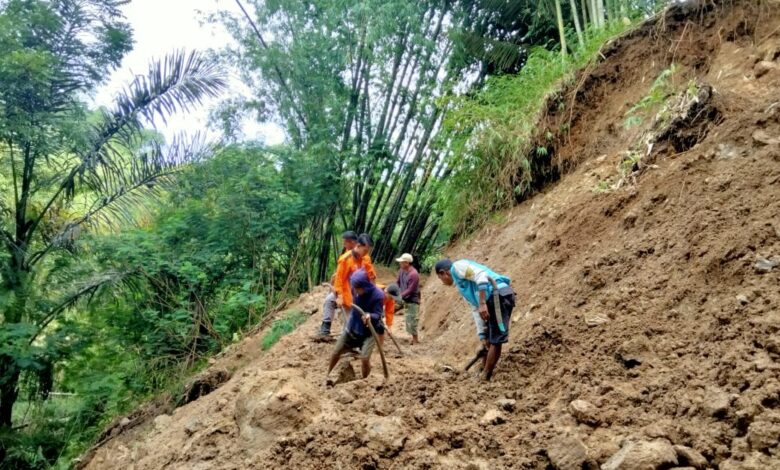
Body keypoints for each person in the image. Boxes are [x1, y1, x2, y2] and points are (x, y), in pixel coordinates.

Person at [434, 259, 516, 381]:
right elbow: (476, 309)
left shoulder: (457, 267)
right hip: (491, 298)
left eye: (441, 279)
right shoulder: (463, 284)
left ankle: (485, 377)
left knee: (496, 340)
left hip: (498, 294)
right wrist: (482, 334)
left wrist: (482, 303)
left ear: (443, 273)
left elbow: (481, 275)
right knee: (488, 340)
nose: (443, 282)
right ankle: (482, 370)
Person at [327, 269, 385, 379]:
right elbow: (342, 288)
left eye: (358, 288)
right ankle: (327, 375)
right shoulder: (355, 290)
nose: (355, 290)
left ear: (365, 285)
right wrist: (340, 298)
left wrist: (369, 316)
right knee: (336, 352)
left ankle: (364, 381)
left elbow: (378, 314)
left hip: (369, 332)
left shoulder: (378, 295)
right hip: (352, 327)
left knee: (364, 358)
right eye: (354, 287)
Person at [318, 231, 360, 337]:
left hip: (353, 292)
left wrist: (341, 295)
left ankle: (349, 338)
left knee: (348, 315)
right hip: (343, 289)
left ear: (353, 242)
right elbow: (341, 276)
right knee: (329, 301)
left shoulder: (359, 255)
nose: (343, 244)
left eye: (345, 242)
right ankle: (325, 329)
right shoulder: (346, 255)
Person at [333, 233, 376, 310]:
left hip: (362, 291)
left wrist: (374, 292)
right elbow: (339, 280)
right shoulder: (345, 260)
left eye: (368, 252)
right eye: (365, 251)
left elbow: (371, 275)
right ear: (358, 246)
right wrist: (339, 296)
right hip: (348, 292)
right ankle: (326, 321)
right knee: (329, 301)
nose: (366, 253)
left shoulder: (366, 258)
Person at [395, 253, 421, 345]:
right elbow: (397, 282)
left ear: (407, 263)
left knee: (411, 319)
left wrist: (399, 296)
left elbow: (411, 290)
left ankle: (415, 339)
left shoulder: (414, 274)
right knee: (389, 308)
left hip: (412, 299)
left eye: (401, 262)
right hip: (402, 297)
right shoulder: (401, 270)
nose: (400, 264)